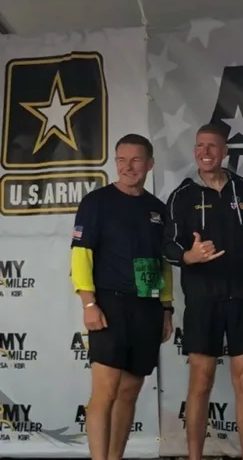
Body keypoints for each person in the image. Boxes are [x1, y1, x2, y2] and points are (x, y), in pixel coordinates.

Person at [162, 124, 243, 460]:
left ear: (224, 151)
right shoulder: (181, 196)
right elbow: (167, 245)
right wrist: (188, 256)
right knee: (200, 383)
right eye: (199, 146)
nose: (205, 152)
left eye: (212, 146)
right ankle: (194, 457)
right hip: (203, 300)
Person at [70, 134, 174, 460]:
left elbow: (163, 264)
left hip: (147, 306)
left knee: (129, 391)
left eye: (136, 160)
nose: (128, 167)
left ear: (150, 164)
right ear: (115, 162)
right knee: (106, 391)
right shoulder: (97, 201)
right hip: (109, 305)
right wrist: (88, 303)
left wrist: (167, 309)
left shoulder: (158, 209)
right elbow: (80, 255)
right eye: (122, 160)